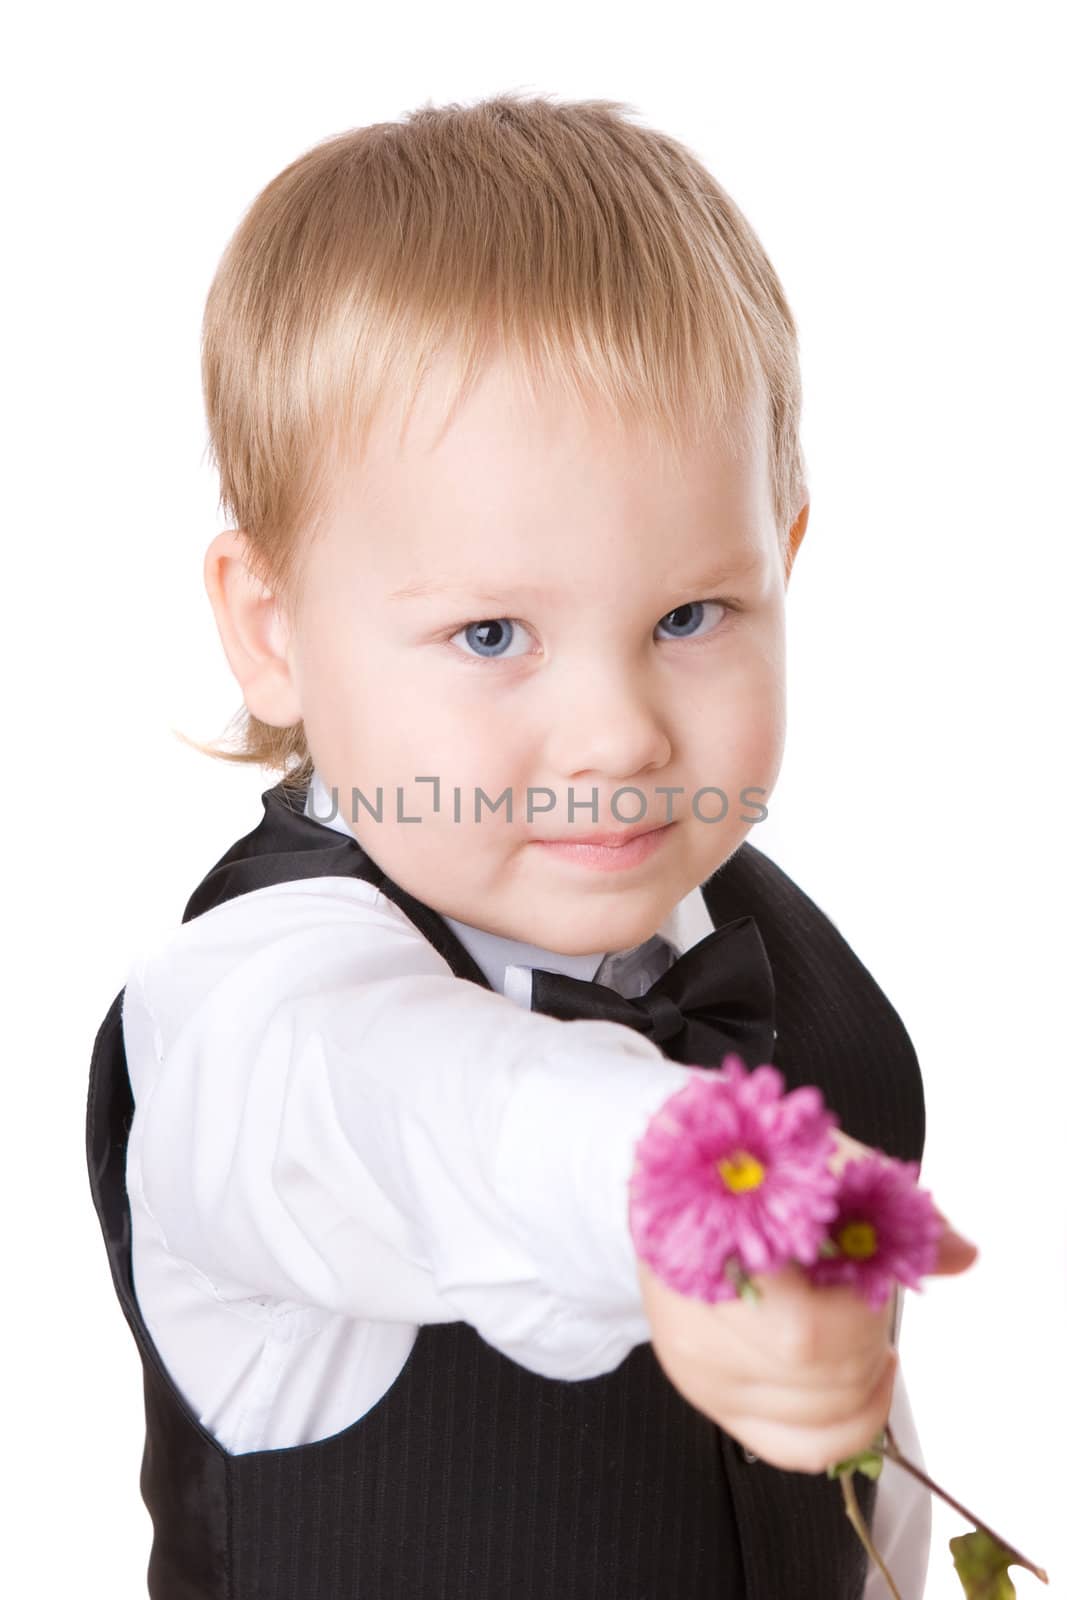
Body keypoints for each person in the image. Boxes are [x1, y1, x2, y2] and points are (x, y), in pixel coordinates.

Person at [86, 91, 977, 1598]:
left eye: (690, 616)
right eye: (493, 633)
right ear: (274, 629)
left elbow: (843, 1502)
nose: (618, 733)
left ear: (787, 564)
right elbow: (456, 1121)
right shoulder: (258, 1023)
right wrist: (689, 1189)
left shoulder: (777, 966)